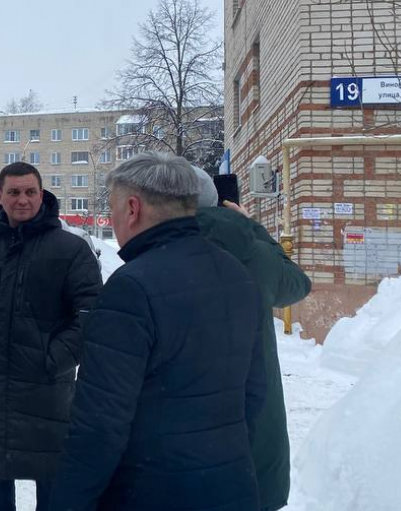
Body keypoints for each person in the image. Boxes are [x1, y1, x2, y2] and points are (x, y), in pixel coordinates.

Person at [48, 153, 267, 511]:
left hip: (151, 492)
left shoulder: (130, 288)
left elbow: (100, 425)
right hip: (231, 486)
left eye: (114, 208)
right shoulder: (236, 273)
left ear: (132, 209)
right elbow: (254, 394)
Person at [0, 161, 103, 511]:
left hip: (46, 391)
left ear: (42, 193)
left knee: (51, 484)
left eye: (30, 191)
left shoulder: (70, 249)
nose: (22, 199)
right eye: (13, 192)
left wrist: (53, 357)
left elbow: (91, 315)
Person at [193, 167, 312, 511]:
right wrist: (252, 226)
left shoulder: (158, 251)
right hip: (254, 413)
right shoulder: (254, 252)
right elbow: (296, 284)